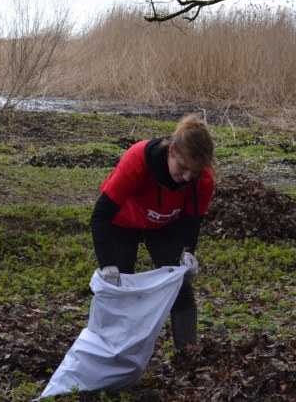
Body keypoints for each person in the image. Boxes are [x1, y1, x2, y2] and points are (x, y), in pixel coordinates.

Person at [90, 114, 216, 350]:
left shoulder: (203, 180)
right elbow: (101, 216)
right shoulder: (138, 159)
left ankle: (187, 354)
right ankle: (112, 354)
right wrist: (107, 265)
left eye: (195, 173)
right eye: (183, 167)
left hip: (164, 226)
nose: (187, 177)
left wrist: (188, 252)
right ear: (172, 150)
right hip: (122, 223)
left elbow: (192, 222)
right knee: (119, 293)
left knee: (181, 289)